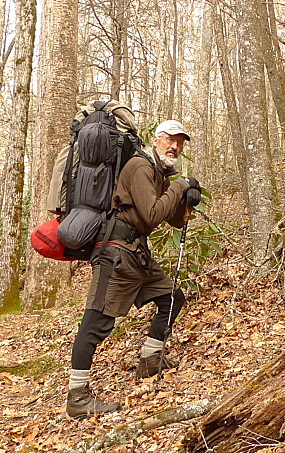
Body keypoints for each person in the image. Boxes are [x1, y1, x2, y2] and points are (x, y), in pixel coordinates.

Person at [66, 120, 202, 419]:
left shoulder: (159, 173)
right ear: (157, 138)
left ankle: (151, 360)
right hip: (114, 254)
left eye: (180, 142)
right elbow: (152, 214)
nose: (175, 147)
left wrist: (186, 196)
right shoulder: (140, 166)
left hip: (136, 254)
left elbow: (175, 221)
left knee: (172, 298)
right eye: (170, 140)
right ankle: (77, 397)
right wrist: (180, 186)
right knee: (96, 322)